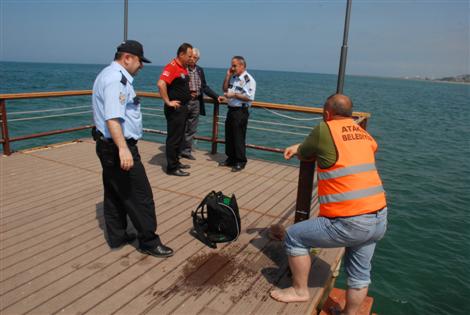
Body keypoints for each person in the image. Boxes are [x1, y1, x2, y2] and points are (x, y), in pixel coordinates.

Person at [270, 94, 388, 315]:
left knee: (295, 236)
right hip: (379, 216)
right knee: (360, 273)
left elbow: (305, 152)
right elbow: (373, 147)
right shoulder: (361, 131)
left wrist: (300, 147)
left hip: (350, 221)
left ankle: (299, 291)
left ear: (327, 114)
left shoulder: (325, 129)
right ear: (351, 114)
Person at [92, 40, 173, 258]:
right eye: (139, 61)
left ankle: (117, 236)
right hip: (118, 147)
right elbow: (112, 117)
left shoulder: (107, 74)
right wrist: (123, 149)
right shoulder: (116, 80)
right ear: (127, 58)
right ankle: (149, 241)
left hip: (107, 145)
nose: (141, 66)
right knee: (140, 195)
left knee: (115, 193)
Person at [157, 43, 193, 176]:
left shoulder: (183, 67)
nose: (191, 59)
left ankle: (176, 161)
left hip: (183, 108)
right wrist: (168, 102)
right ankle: (172, 167)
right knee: (174, 138)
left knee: (179, 137)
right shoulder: (172, 66)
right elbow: (161, 84)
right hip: (175, 109)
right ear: (181, 54)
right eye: (189, 56)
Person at [179, 48, 219, 160]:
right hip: (184, 102)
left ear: (198, 59)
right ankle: (177, 150)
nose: (192, 59)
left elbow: (204, 87)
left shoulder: (200, 70)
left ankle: (186, 151)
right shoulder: (182, 68)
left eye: (195, 57)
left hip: (196, 101)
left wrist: (216, 96)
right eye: (191, 56)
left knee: (191, 128)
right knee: (181, 126)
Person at [217, 56, 256, 172]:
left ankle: (240, 161)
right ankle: (231, 158)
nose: (232, 67)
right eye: (232, 65)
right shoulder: (233, 77)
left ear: (242, 66)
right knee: (229, 135)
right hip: (231, 110)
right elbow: (224, 89)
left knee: (239, 137)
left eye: (234, 65)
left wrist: (234, 95)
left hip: (241, 111)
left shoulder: (249, 79)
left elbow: (249, 98)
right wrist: (228, 75)